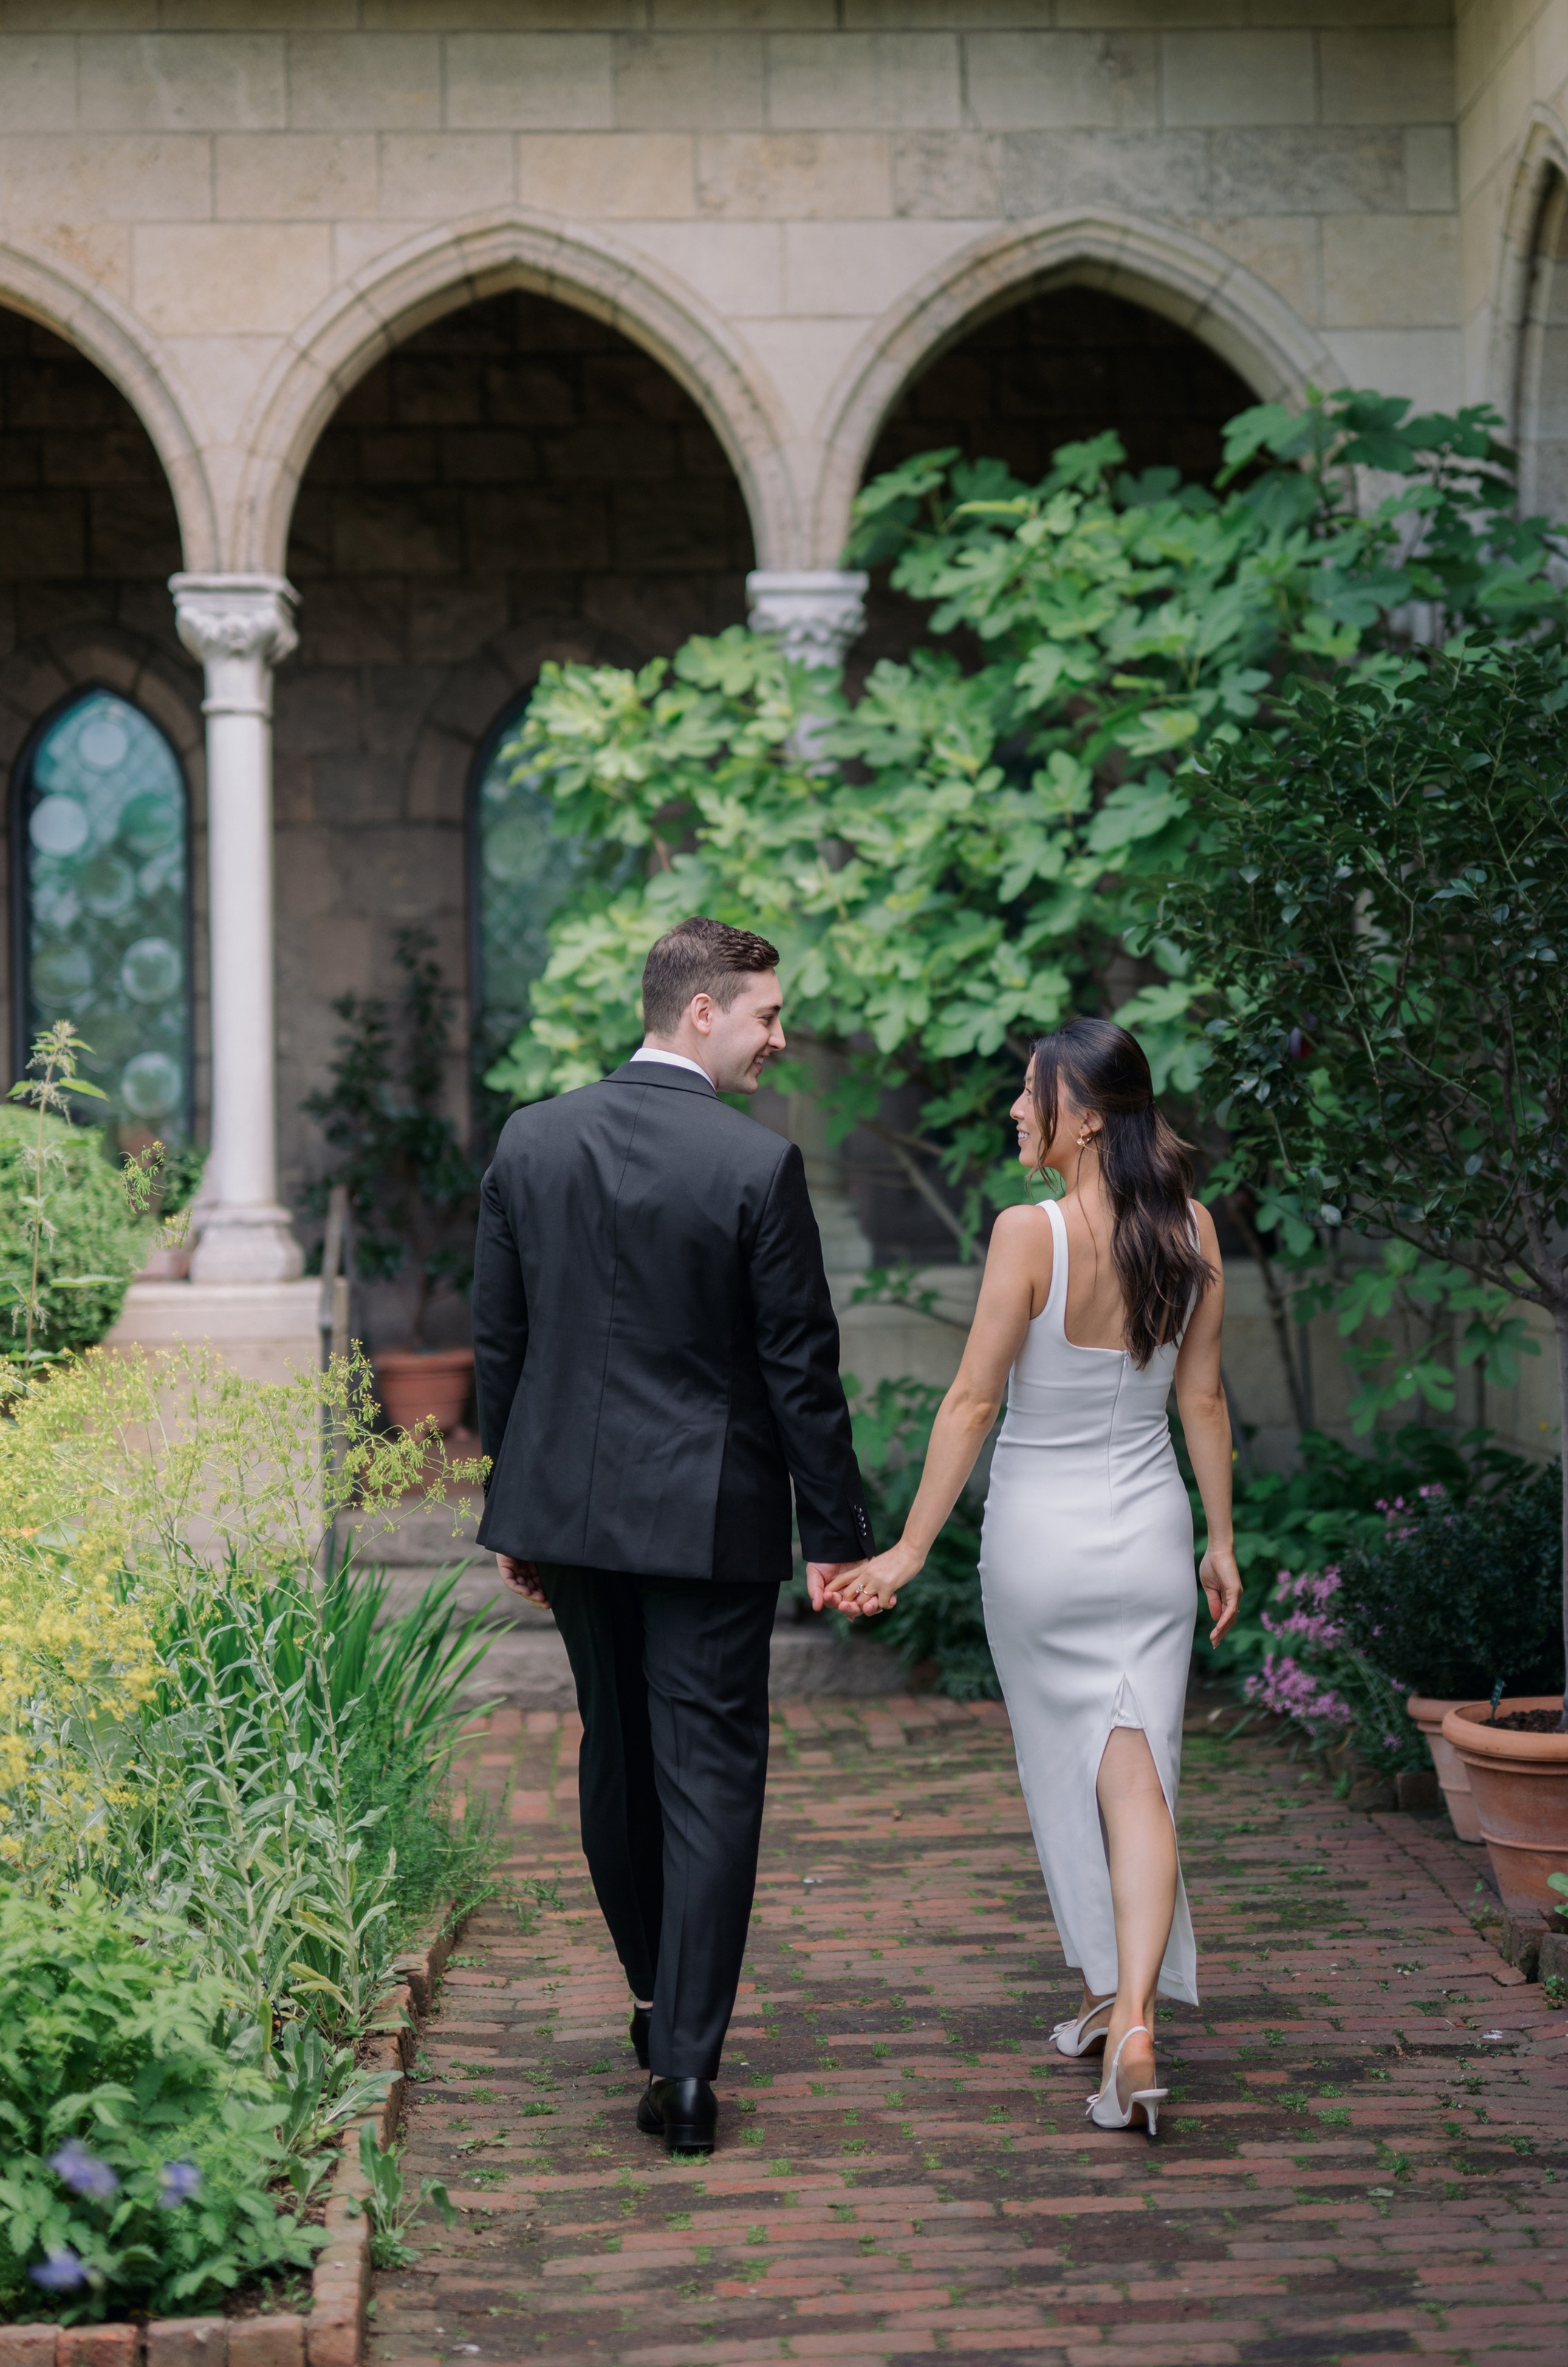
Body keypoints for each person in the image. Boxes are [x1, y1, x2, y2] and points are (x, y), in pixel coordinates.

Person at [473, 915, 874, 2158]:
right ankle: (688, 2066)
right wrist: (836, 1532)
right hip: (709, 1518)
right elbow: (801, 1370)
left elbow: (503, 1344)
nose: (779, 1037)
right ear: (699, 1011)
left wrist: (515, 1505)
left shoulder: (531, 1141)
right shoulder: (756, 1166)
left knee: (615, 1754)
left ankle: (654, 2000)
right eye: (765, 1013)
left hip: (575, 1517)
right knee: (710, 1777)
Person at [830, 1018, 1239, 2139]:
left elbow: (970, 1402)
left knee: (1073, 1776)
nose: (1017, 1109)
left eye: (1031, 1093)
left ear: (1090, 1114)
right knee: (1140, 1775)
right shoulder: (1195, 1229)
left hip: (1040, 1546)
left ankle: (1126, 2011)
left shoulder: (1031, 1234)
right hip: (1152, 1535)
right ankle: (1135, 2014)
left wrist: (909, 1551)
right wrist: (1220, 1541)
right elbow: (1203, 1402)